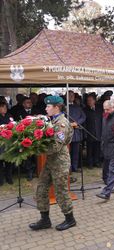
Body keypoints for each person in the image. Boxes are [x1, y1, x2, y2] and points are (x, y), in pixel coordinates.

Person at [29, 96, 76, 231]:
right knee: (41, 188)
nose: (46, 108)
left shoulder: (62, 124)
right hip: (51, 162)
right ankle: (45, 219)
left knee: (61, 191)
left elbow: (55, 146)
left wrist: (36, 148)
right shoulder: (52, 121)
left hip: (60, 163)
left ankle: (70, 219)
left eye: (48, 106)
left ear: (56, 107)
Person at [67, 90, 86, 173]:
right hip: (66, 131)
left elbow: (83, 116)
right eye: (69, 95)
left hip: (76, 132)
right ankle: (68, 168)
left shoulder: (77, 106)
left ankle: (74, 167)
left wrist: (77, 123)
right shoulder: (63, 106)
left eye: (72, 95)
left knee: (76, 152)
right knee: (67, 152)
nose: (71, 97)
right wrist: (69, 124)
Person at [83, 94, 102, 169]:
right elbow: (84, 123)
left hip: (98, 132)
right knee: (89, 149)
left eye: (90, 100)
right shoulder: (85, 110)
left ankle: (96, 161)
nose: (89, 102)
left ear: (94, 101)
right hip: (89, 132)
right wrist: (85, 133)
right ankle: (90, 163)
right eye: (88, 100)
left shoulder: (99, 109)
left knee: (97, 148)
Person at [0, 102, 13, 186]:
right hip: (0, 141)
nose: (5, 109)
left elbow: (13, 124)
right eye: (3, 107)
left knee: (9, 161)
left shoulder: (9, 115)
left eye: (5, 107)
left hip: (8, 140)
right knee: (0, 161)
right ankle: (1, 180)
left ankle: (9, 178)